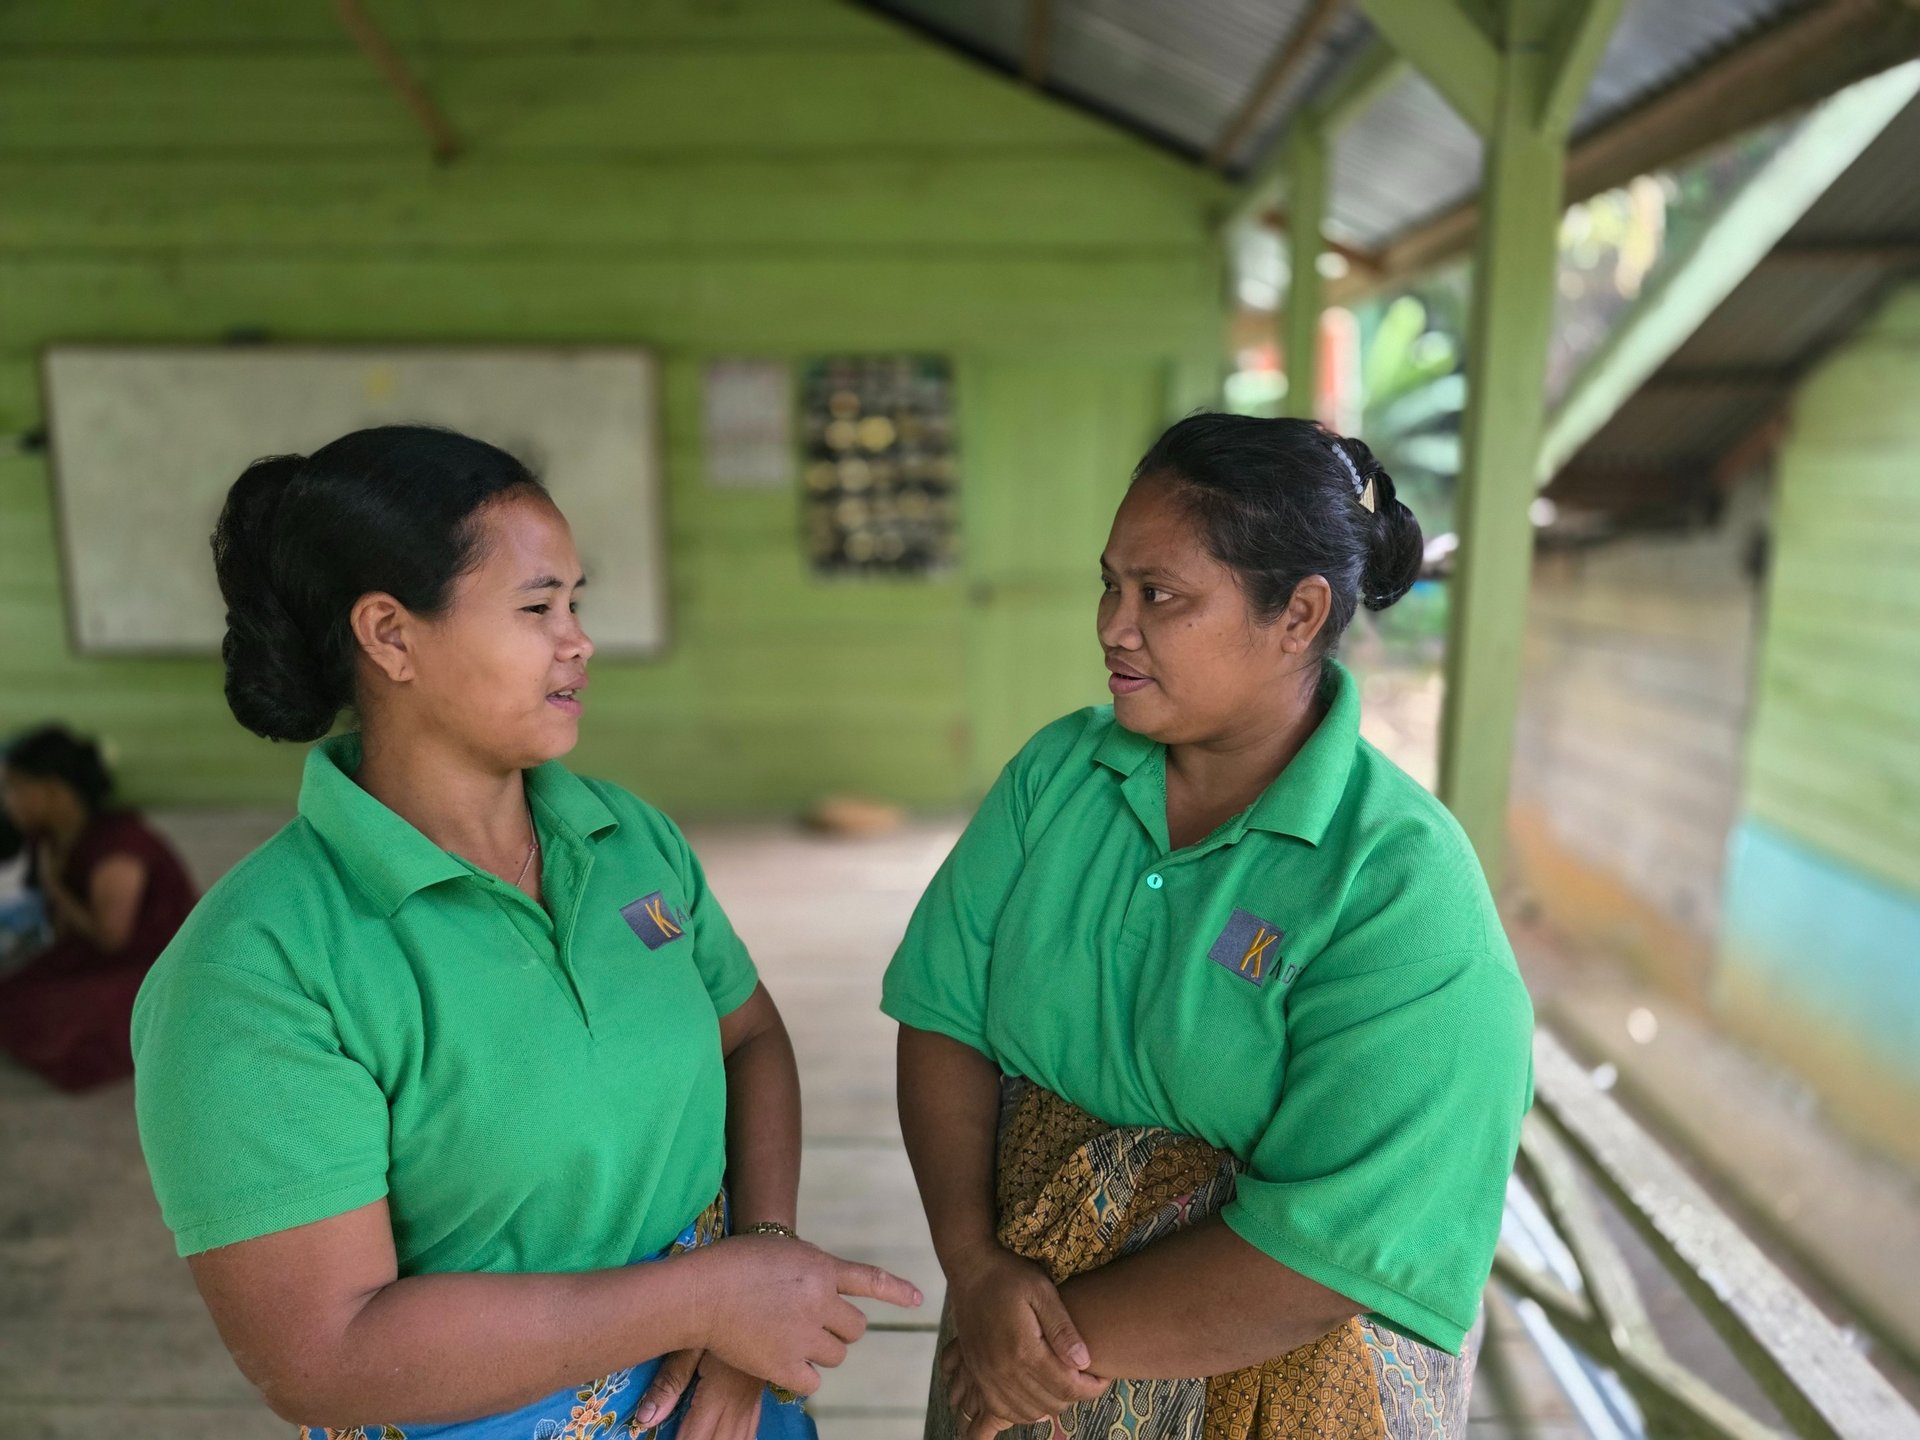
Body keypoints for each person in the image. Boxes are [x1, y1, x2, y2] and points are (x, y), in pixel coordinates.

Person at [132, 426, 920, 1440]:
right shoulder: (256, 970)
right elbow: (323, 1357)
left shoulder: (625, 837)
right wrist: (708, 1300)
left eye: (577, 602)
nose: (579, 639)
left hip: (729, 1397)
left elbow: (751, 1037)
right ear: (389, 635)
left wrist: (751, 1283)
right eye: (538, 607)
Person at [883, 414, 1534, 1440]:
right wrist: (974, 1268)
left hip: (1257, 1374)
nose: (1112, 624)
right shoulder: (1061, 777)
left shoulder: (1398, 882)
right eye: (1111, 583)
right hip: (1014, 1330)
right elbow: (942, 1017)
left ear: (1299, 615)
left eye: (1161, 596)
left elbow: (1339, 1240)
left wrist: (1040, 1352)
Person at [0, 725, 195, 1090]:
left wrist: (56, 888)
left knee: (55, 1020)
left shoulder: (119, 846)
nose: (9, 800)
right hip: (94, 956)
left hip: (156, 967)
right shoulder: (53, 834)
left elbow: (112, 939)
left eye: (15, 787)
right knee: (12, 995)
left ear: (52, 790)